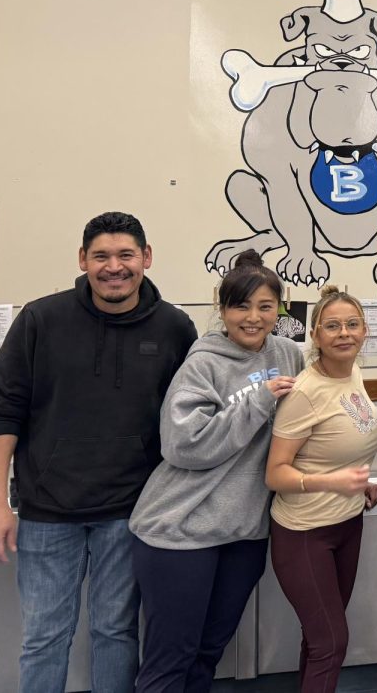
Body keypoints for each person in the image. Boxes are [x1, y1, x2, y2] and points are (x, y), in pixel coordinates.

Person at [0, 211, 198, 693]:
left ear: (146, 258)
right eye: (101, 255)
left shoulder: (175, 328)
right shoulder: (41, 319)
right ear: (83, 260)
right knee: (43, 638)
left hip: (132, 513)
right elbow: (1, 413)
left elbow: (191, 420)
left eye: (125, 255)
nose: (113, 266)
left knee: (116, 633)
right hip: (46, 513)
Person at [128, 249, 303, 693]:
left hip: (244, 532)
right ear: (222, 309)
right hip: (181, 529)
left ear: (279, 310)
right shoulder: (203, 362)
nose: (253, 318)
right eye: (241, 306)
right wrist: (258, 400)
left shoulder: (287, 353)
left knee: (208, 654)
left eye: (266, 307)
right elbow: (183, 444)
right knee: (171, 660)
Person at [265, 286, 377, 693]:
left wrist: (360, 482)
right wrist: (331, 482)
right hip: (304, 533)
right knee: (332, 642)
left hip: (348, 523)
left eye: (352, 325)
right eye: (331, 326)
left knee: (320, 641)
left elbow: (335, 446)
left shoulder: (352, 373)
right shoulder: (303, 392)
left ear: (365, 331)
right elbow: (275, 474)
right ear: (315, 336)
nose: (343, 333)